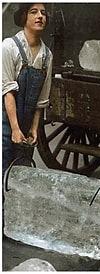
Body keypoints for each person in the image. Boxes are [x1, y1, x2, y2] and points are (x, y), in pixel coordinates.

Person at [2, 3, 52, 177]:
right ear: (24, 17)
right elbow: (7, 91)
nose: (40, 16)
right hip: (5, 123)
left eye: (44, 13)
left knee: (21, 177)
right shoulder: (9, 46)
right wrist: (15, 129)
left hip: (26, 125)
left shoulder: (46, 55)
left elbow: (41, 99)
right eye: (34, 12)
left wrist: (34, 128)